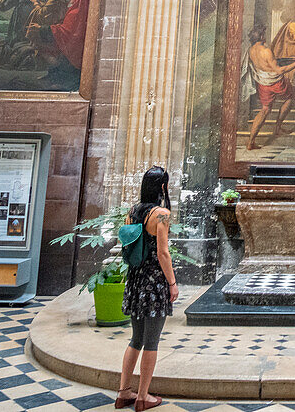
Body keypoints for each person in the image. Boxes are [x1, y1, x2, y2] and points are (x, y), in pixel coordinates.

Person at [116, 166, 178, 411]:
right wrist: (172, 283)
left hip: (135, 278)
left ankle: (123, 393)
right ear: (162, 187)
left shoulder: (132, 211)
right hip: (154, 282)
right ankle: (143, 397)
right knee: (151, 341)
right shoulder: (161, 213)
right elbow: (163, 253)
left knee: (136, 338)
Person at [243, 24, 295, 150]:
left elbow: (267, 63)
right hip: (275, 81)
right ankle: (278, 128)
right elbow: (279, 70)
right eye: (264, 34)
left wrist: (288, 60)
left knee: (265, 109)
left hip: (263, 82)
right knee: (291, 98)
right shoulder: (266, 50)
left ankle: (251, 142)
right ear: (261, 36)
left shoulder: (251, 50)